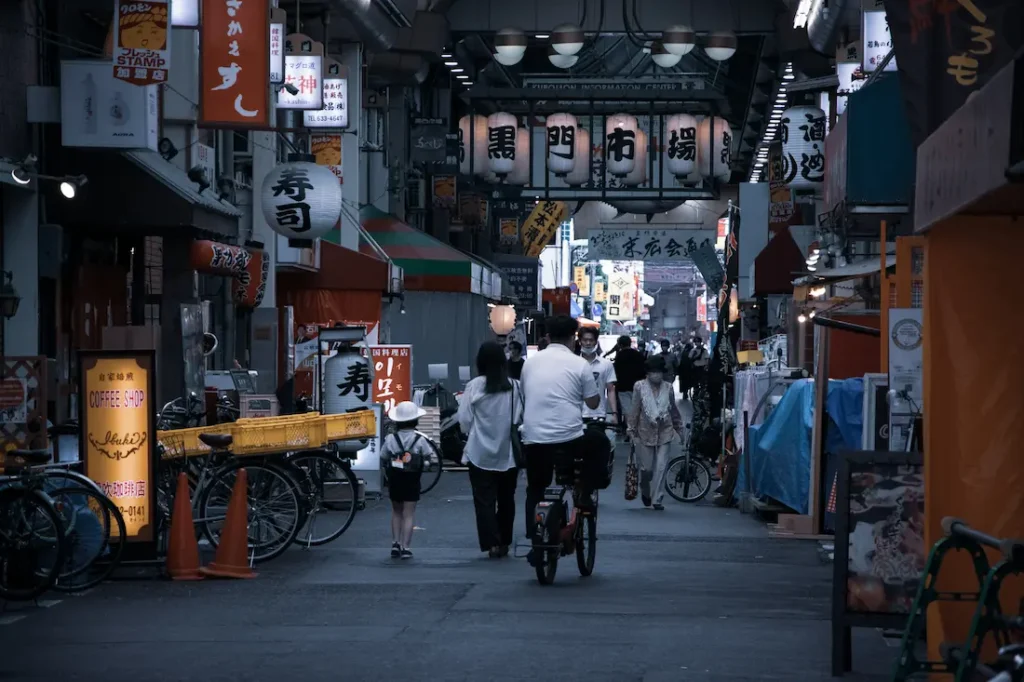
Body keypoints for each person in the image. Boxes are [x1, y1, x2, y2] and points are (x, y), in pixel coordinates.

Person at [520, 315, 600, 564]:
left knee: (535, 488)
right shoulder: (579, 365)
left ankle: (535, 540)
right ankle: (585, 493)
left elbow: (526, 394)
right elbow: (593, 402)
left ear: (548, 337)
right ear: (572, 338)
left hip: (533, 437)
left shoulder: (530, 364)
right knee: (599, 444)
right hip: (569, 437)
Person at [458, 341, 522, 559]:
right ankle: (504, 541)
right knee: (506, 499)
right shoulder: (514, 386)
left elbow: (464, 420)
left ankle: (492, 543)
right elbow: (519, 418)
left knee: (484, 500)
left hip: (479, 452)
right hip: (508, 454)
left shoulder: (474, 386)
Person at [626, 355, 684, 510]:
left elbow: (673, 409)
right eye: (653, 372)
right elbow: (635, 409)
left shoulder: (668, 387)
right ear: (648, 373)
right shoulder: (639, 387)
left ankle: (657, 498)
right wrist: (630, 429)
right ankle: (645, 489)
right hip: (645, 431)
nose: (656, 375)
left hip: (665, 430)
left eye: (659, 372)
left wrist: (680, 429)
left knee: (661, 466)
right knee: (646, 469)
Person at [380, 401, 436, 559]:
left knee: (396, 511)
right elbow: (429, 455)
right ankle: (406, 547)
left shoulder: (391, 438)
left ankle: (395, 544)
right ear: (416, 420)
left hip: (395, 478)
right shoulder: (420, 439)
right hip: (412, 479)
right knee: (409, 513)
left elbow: (383, 456)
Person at [611, 335, 645, 429]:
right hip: (637, 386)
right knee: (637, 408)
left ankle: (630, 430)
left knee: (627, 410)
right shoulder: (638, 355)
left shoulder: (620, 356)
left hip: (623, 387)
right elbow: (643, 371)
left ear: (620, 345)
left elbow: (616, 372)